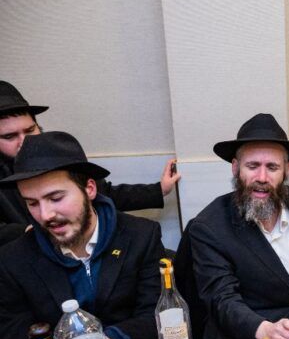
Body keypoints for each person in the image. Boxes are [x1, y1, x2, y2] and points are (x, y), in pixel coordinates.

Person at [0, 132, 163, 339]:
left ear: (89, 189)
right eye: (32, 203)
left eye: (56, 198)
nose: (45, 215)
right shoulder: (13, 260)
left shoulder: (141, 236)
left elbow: (156, 315)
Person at [185, 114, 289, 339]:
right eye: (252, 166)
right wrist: (267, 330)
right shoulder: (208, 227)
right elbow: (222, 300)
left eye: (272, 167)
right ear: (235, 167)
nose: (262, 178)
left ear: (287, 170)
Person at [0, 80, 180, 245]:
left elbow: (105, 193)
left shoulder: (55, 154)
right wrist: (27, 233)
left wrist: (159, 190)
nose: (24, 141)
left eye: (30, 130)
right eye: (9, 136)